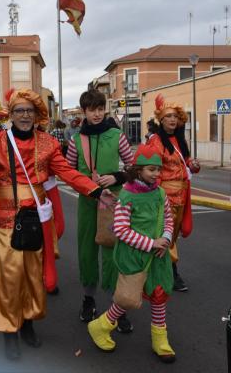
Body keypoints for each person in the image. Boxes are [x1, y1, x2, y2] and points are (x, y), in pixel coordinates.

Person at [0, 88, 108, 360]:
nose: (24, 116)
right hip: (4, 220)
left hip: (37, 221)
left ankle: (28, 324)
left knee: (33, 277)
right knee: (8, 278)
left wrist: (97, 190)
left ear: (36, 114)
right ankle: (9, 332)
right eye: (19, 111)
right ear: (11, 114)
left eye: (29, 111)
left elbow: (67, 172)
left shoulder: (48, 144)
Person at [87, 146, 176, 363]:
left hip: (158, 255)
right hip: (134, 255)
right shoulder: (127, 195)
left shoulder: (161, 193)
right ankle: (100, 326)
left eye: (158, 170)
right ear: (138, 170)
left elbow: (167, 218)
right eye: (151, 170)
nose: (156, 174)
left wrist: (165, 238)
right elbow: (121, 230)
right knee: (127, 298)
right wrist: (150, 243)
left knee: (158, 294)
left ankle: (160, 340)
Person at [65, 89, 134, 331]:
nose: (97, 114)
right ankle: (89, 299)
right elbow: (69, 174)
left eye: (100, 109)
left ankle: (118, 306)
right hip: (87, 203)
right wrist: (88, 183)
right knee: (87, 249)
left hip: (113, 202)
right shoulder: (75, 140)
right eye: (92, 109)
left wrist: (115, 177)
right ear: (84, 111)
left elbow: (133, 167)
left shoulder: (117, 135)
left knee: (114, 251)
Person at [145, 94, 200, 292]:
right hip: (166, 196)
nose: (172, 119)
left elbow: (186, 165)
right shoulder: (157, 141)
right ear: (161, 119)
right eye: (168, 116)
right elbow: (153, 170)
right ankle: (171, 274)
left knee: (173, 235)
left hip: (182, 195)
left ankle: (165, 271)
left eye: (175, 116)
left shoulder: (179, 140)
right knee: (166, 235)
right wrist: (156, 197)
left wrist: (193, 165)